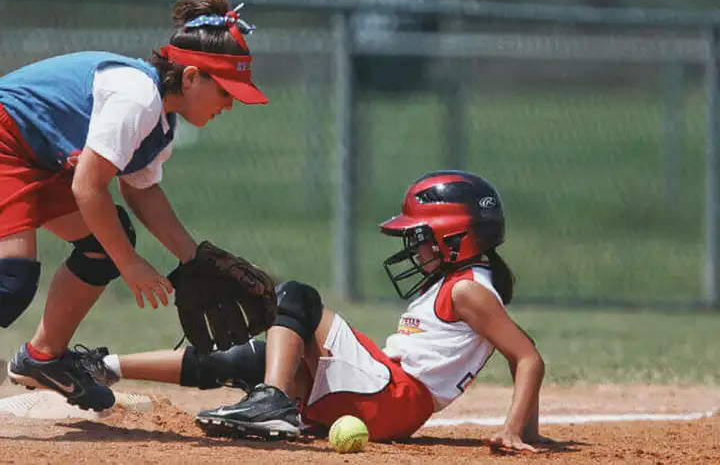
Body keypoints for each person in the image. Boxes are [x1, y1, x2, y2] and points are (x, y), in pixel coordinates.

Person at [77, 170, 547, 451]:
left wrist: (513, 431)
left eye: (421, 237)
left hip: (392, 395)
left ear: (454, 237)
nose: (414, 247)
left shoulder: (469, 291)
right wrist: (529, 433)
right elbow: (520, 354)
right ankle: (102, 367)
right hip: (384, 397)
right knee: (253, 356)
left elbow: (527, 357)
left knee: (295, 297)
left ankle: (273, 403)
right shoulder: (463, 285)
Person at [0, 0, 267, 412]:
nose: (230, 105)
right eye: (226, 91)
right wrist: (130, 264)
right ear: (192, 76)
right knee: (10, 284)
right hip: (7, 139)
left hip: (36, 156)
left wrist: (193, 259)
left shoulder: (160, 125)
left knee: (105, 241)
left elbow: (141, 191)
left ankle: (42, 358)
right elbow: (87, 188)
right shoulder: (138, 98)